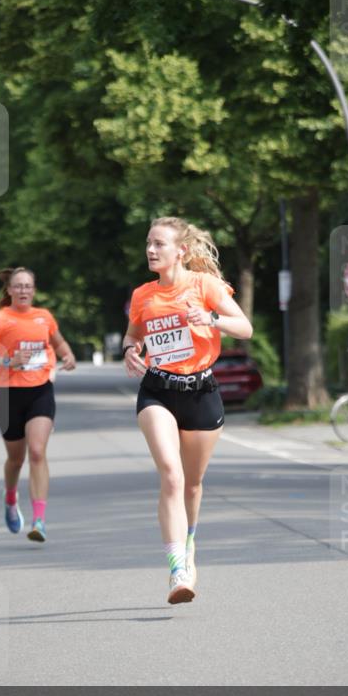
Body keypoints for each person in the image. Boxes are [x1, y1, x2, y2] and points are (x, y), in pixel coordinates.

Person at [123, 217, 253, 604]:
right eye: (148, 243)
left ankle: (190, 539)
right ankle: (177, 567)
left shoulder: (205, 286)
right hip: (157, 391)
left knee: (193, 484)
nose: (150, 250)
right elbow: (133, 334)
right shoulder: (142, 295)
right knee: (172, 475)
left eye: (158, 244)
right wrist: (131, 351)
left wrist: (212, 318)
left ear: (181, 250)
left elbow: (244, 328)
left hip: (201, 392)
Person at [0, 267, 76, 543]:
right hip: (8, 395)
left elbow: (59, 342)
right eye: (17, 286)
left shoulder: (44, 317)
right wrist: (7, 361)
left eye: (27, 286)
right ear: (9, 290)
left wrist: (68, 355)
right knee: (16, 458)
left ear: (34, 289)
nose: (23, 291)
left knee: (37, 452)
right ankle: (10, 498)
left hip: (40, 390)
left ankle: (39, 520)